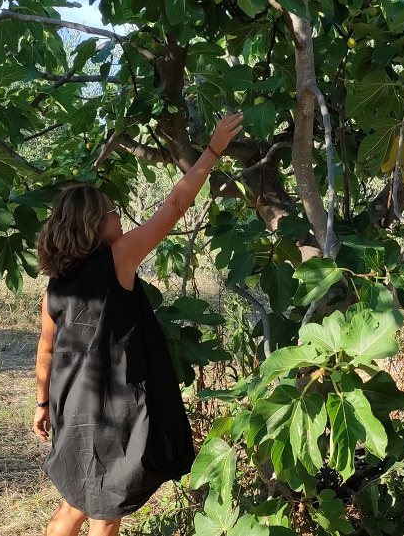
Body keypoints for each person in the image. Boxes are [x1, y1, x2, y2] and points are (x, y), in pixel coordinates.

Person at [32, 113, 245, 536]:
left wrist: (41, 406)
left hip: (71, 408)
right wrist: (213, 150)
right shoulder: (117, 260)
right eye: (113, 212)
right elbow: (175, 205)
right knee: (105, 513)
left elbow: (45, 350)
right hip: (111, 411)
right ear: (95, 226)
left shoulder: (55, 287)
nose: (120, 218)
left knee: (73, 505)